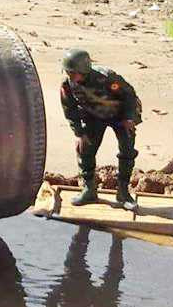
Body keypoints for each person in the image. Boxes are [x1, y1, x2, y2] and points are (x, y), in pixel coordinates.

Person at [60, 49, 142, 211]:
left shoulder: (107, 78)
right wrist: (79, 133)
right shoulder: (67, 85)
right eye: (68, 72)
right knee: (85, 150)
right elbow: (69, 109)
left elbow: (129, 95)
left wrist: (129, 117)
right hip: (94, 116)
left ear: (83, 70)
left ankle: (123, 193)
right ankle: (89, 190)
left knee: (127, 150)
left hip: (120, 116)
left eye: (73, 72)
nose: (70, 76)